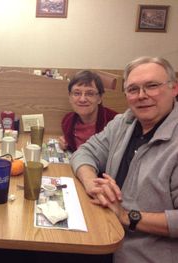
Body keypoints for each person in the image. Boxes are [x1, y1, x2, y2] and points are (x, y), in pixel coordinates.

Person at [71, 57, 178, 262]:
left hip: (142, 253)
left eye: (152, 86)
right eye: (133, 89)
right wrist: (91, 183)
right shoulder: (124, 122)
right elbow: (85, 152)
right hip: (104, 233)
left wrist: (126, 216)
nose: (141, 96)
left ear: (174, 88)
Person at [60, 70, 117, 152]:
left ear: (99, 98)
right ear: (70, 97)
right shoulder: (67, 121)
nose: (82, 99)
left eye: (90, 94)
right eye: (77, 93)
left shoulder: (115, 123)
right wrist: (65, 143)